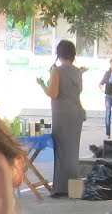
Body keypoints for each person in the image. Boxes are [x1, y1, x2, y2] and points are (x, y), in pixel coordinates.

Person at [36, 40, 85, 197]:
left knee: (62, 150)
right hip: (76, 112)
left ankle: (61, 188)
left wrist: (41, 84)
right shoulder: (77, 71)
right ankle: (73, 186)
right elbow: (78, 92)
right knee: (72, 151)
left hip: (62, 113)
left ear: (59, 54)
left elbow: (53, 94)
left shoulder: (57, 71)